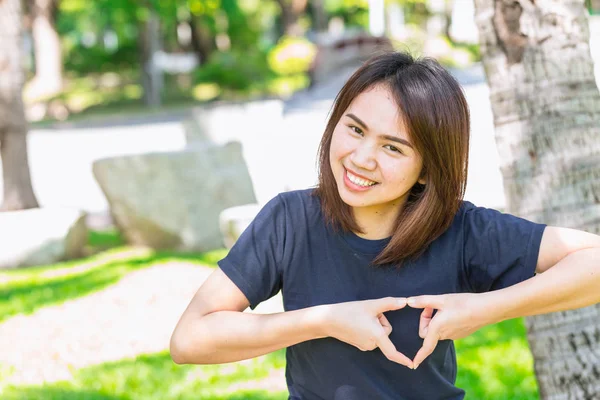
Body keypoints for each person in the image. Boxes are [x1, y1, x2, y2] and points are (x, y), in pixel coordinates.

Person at [169, 51, 600, 399]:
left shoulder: (460, 229)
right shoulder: (290, 220)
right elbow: (190, 339)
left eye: (392, 148)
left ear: (428, 170)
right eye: (355, 129)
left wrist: (483, 309)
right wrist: (323, 321)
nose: (361, 158)